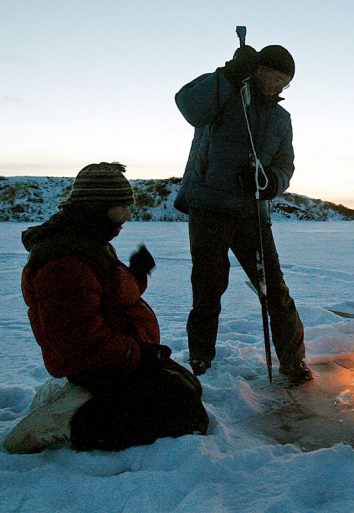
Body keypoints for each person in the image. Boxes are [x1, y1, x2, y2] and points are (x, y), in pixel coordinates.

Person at [4, 163, 208, 454]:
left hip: (114, 356)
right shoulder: (65, 260)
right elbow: (78, 342)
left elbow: (110, 299)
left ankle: (82, 400)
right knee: (186, 417)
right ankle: (69, 419)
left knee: (187, 388)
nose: (128, 214)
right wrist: (136, 354)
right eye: (122, 206)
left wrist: (136, 276)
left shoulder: (89, 242)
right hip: (95, 365)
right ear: (97, 206)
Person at [174, 43, 312, 384]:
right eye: (277, 78)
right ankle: (201, 359)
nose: (280, 88)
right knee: (208, 288)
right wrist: (228, 75)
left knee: (274, 289)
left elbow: (284, 164)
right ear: (260, 70)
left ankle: (293, 361)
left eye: (286, 83)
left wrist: (270, 184)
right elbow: (189, 105)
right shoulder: (224, 92)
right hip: (209, 207)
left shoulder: (281, 118)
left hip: (252, 211)